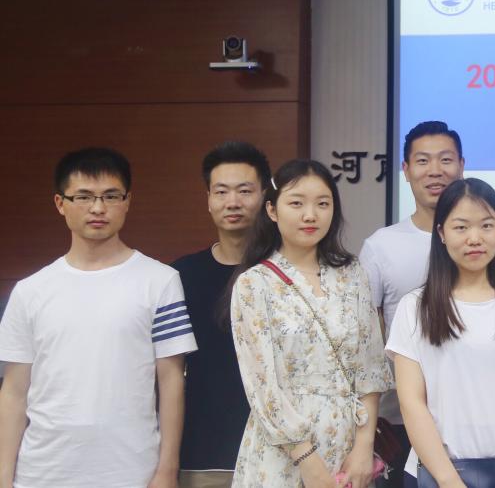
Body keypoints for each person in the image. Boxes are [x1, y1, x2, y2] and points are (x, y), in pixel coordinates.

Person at [0, 147, 196, 488]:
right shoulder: (30, 291)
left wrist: (167, 470)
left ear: (128, 201)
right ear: (60, 203)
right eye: (83, 197)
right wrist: (4, 477)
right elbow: (14, 393)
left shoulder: (160, 281)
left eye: (110, 196)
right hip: (41, 474)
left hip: (131, 472)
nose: (98, 208)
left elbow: (171, 381)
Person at [229, 159, 392, 488]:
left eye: (322, 203)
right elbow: (263, 388)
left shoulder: (353, 274)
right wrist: (308, 461)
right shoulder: (254, 284)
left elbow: (370, 368)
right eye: (296, 203)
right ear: (272, 210)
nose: (310, 215)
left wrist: (364, 447)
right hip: (283, 453)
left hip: (350, 450)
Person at [387, 178, 495, 488]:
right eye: (461, 227)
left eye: (486, 226)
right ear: (442, 233)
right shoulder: (415, 308)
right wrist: (449, 480)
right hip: (433, 476)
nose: (475, 238)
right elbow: (412, 402)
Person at [360, 122, 465, 486]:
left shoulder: (483, 240)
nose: (435, 170)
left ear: (462, 166)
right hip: (400, 418)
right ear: (405, 170)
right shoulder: (381, 246)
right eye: (422, 161)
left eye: (445, 160)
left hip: (472, 418)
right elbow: (366, 339)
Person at [172, 141, 272, 488]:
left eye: (245, 191)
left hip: (277, 456)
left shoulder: (285, 272)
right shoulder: (180, 276)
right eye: (221, 191)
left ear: (265, 197)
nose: (233, 202)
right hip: (202, 455)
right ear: (209, 199)